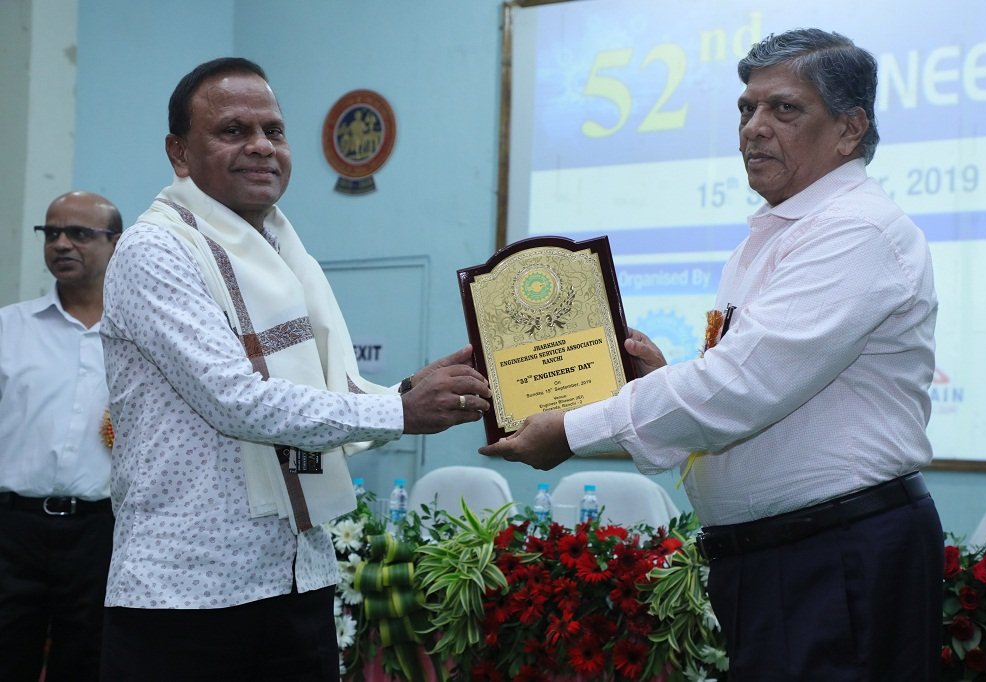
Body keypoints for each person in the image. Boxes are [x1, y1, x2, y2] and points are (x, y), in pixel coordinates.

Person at [482, 28, 942, 681]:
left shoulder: (855, 229)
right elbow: (744, 385)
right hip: (785, 558)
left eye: (784, 109)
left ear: (849, 128)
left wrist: (570, 429)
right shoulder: (771, 238)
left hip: (835, 556)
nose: (754, 128)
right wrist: (667, 381)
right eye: (745, 108)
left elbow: (739, 389)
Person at [98, 57, 490, 681]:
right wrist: (398, 411)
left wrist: (403, 392)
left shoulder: (282, 248)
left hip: (297, 574)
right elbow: (235, 399)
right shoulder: (156, 249)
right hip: (187, 593)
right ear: (179, 152)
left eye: (273, 131)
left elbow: (313, 395)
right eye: (233, 131)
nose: (260, 146)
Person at [0, 191, 122, 681]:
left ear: (116, 243)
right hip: (13, 531)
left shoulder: (137, 334)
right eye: (51, 233)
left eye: (79, 233)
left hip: (100, 533)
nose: (62, 244)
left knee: (87, 661)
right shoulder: (10, 327)